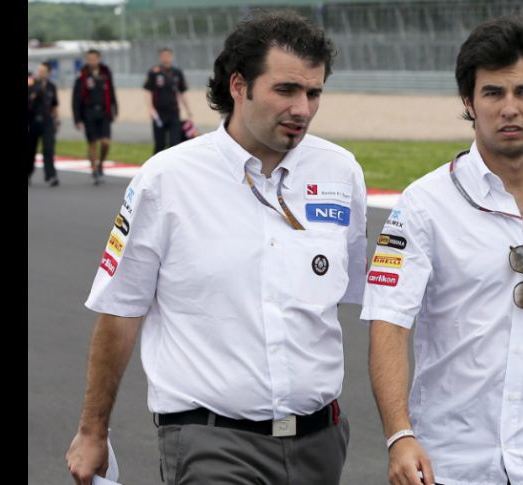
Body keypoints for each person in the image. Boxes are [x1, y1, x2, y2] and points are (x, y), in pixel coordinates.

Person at [66, 10, 367, 485]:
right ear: (239, 86)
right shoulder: (166, 180)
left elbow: (347, 296)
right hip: (211, 442)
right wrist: (92, 430)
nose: (303, 109)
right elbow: (120, 311)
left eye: (314, 93)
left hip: (320, 443)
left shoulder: (341, 172)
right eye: (286, 90)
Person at [362, 15, 523, 485]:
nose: (510, 108)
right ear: (469, 101)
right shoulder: (422, 204)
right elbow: (389, 324)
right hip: (451, 463)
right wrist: (399, 435)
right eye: (493, 93)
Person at [72, 49, 118, 185]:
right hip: (89, 113)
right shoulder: (82, 77)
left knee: (105, 142)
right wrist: (77, 119)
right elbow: (76, 100)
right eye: (89, 58)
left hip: (104, 112)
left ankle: (101, 164)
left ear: (98, 59)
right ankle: (95, 170)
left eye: (94, 58)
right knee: (92, 143)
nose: (92, 61)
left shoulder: (105, 74)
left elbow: (112, 92)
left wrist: (115, 109)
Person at [143, 47, 192, 154]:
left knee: (175, 143)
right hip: (159, 113)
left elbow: (182, 93)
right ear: (160, 57)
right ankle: (154, 168)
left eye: (168, 56)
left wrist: (189, 112)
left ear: (172, 57)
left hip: (174, 112)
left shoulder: (177, 72)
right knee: (160, 144)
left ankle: (172, 169)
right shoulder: (154, 72)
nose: (166, 58)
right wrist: (150, 109)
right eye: (163, 56)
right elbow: (148, 92)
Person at [28, 62, 60, 186]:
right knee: (30, 149)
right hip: (33, 120)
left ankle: (51, 176)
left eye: (43, 70)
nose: (40, 72)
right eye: (39, 70)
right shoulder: (31, 84)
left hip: (47, 120)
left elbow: (54, 105)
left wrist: (56, 120)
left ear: (48, 72)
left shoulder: (52, 86)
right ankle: (29, 172)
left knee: (48, 148)